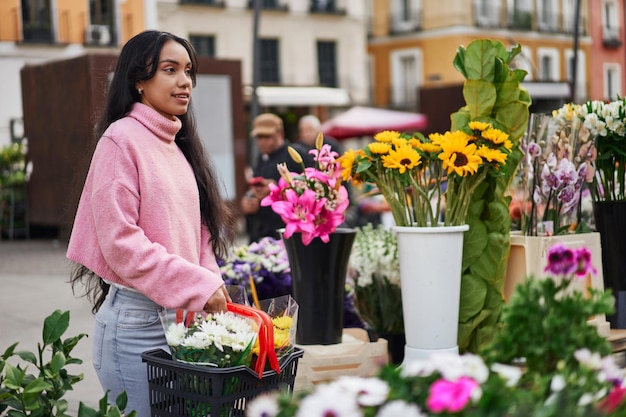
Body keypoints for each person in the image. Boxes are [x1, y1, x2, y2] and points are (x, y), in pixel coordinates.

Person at [66, 30, 235, 417]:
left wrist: (211, 283)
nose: (184, 82)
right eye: (170, 70)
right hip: (135, 326)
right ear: (139, 81)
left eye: (188, 71)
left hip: (180, 318)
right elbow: (120, 243)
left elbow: (199, 232)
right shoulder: (121, 139)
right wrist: (197, 285)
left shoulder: (175, 143)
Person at [240, 113, 303, 243]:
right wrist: (249, 201)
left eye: (267, 136)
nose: (262, 142)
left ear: (280, 134)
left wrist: (279, 188)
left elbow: (311, 189)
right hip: (262, 234)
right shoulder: (262, 159)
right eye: (259, 137)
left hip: (286, 234)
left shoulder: (295, 154)